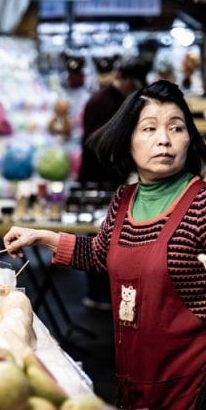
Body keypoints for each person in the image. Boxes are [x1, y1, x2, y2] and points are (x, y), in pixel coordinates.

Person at [4, 80, 206, 410]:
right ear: (129, 140)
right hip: (137, 370)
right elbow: (101, 254)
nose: (165, 139)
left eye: (176, 128)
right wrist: (43, 236)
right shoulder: (125, 199)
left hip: (196, 373)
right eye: (150, 128)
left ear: (189, 138)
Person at [78, 56, 150, 311]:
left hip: (116, 178)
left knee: (114, 237)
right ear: (124, 78)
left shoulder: (127, 100)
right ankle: (95, 293)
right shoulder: (100, 102)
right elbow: (94, 143)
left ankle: (108, 291)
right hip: (95, 178)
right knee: (96, 235)